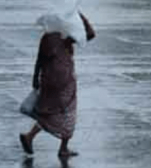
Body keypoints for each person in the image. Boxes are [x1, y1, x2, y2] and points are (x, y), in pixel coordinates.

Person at [19, 12, 96, 158]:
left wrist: (35, 78)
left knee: (50, 111)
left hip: (48, 80)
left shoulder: (46, 38)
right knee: (68, 112)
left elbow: (39, 60)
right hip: (64, 81)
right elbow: (90, 34)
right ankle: (61, 148)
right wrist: (81, 17)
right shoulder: (66, 37)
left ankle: (31, 137)